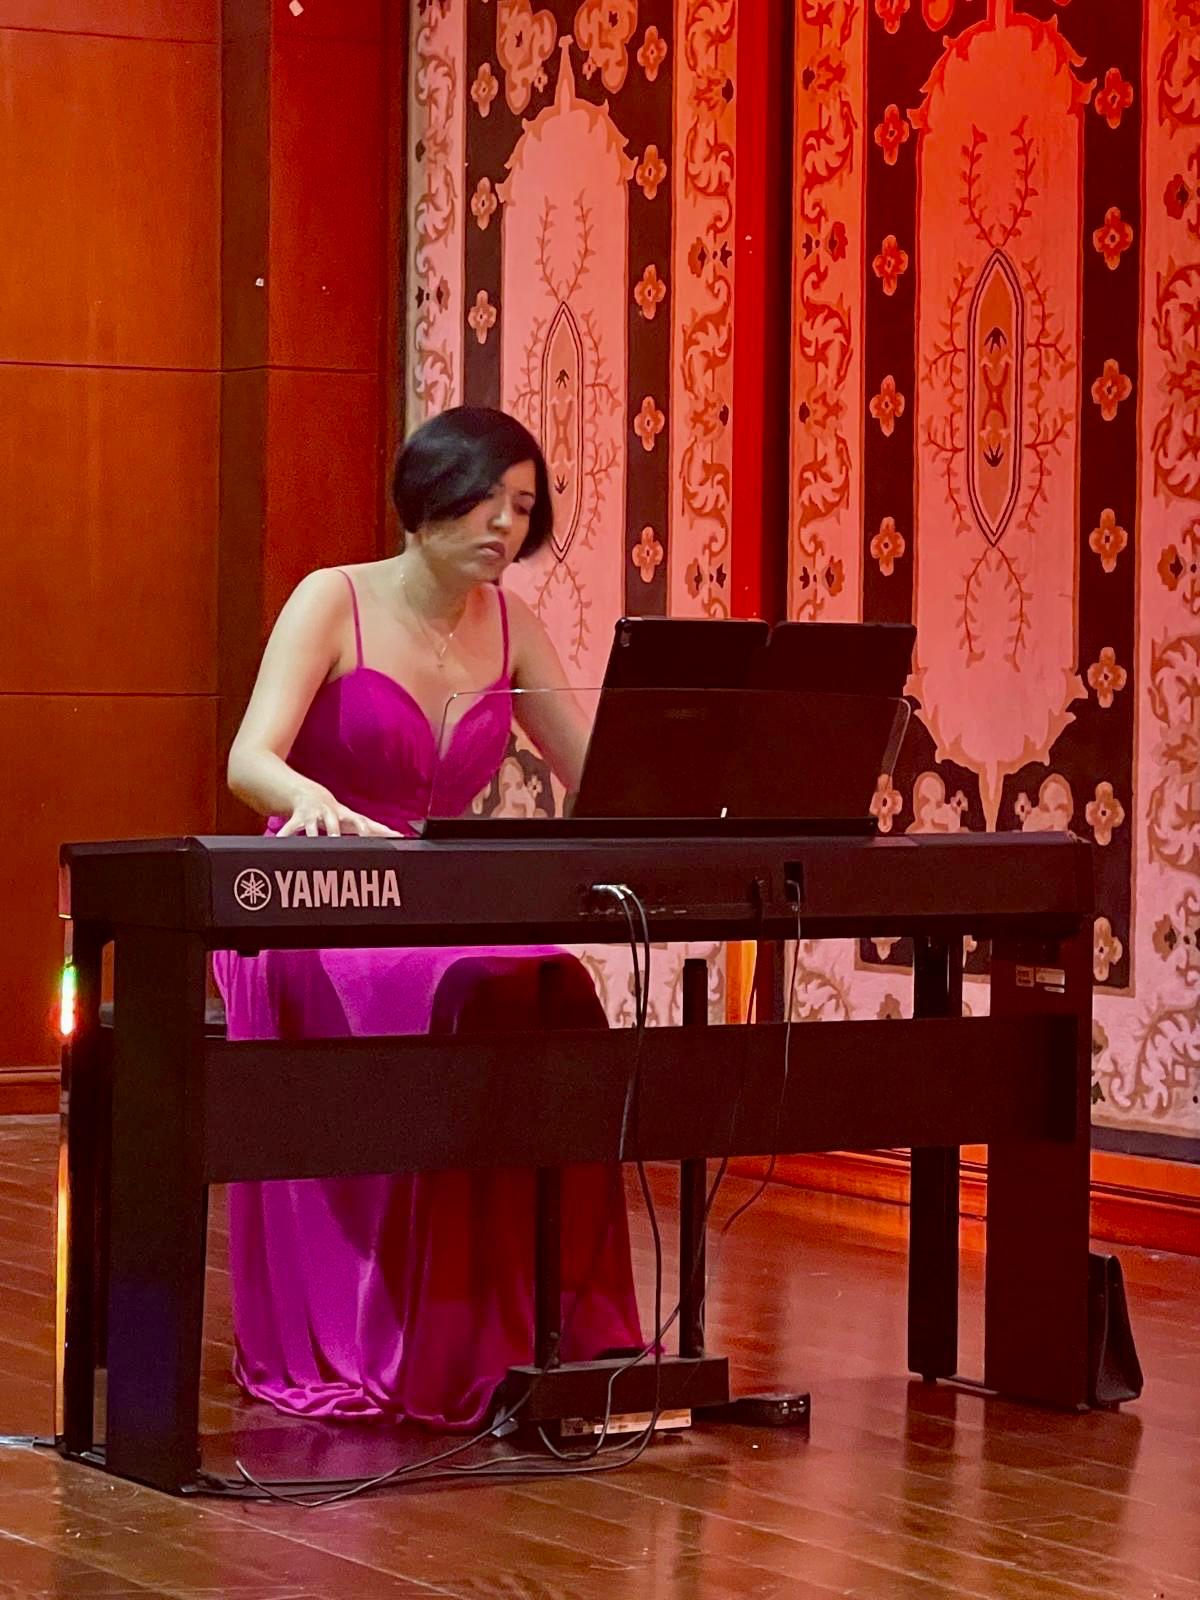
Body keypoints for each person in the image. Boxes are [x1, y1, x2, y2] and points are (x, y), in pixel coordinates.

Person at [213, 406, 642, 1428]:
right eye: (486, 499)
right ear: (427, 497)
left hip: (437, 895)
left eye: (523, 508)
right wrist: (314, 801)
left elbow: (601, 777)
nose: (504, 525)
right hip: (317, 894)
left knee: (552, 986)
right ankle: (418, 1332)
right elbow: (249, 760)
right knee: (465, 988)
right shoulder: (333, 599)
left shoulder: (512, 626)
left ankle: (546, 1329)